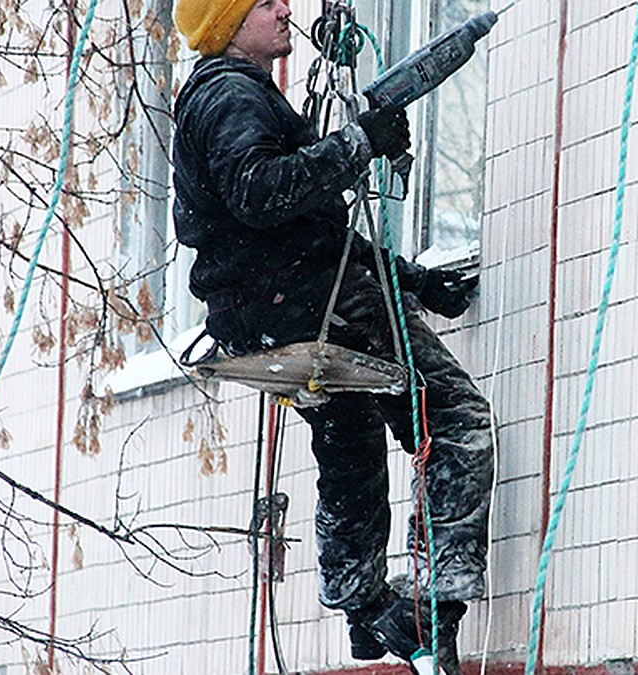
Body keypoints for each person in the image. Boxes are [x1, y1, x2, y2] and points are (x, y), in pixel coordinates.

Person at [170, 0, 494, 672]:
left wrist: (409, 278)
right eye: (265, 2)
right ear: (227, 24)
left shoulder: (221, 99)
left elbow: (303, 234)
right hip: (315, 306)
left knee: (348, 436)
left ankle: (366, 610)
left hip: (264, 319)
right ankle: (438, 602)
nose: (286, 9)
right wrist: (359, 144)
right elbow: (262, 193)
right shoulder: (231, 96)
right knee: (456, 417)